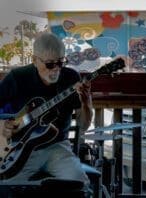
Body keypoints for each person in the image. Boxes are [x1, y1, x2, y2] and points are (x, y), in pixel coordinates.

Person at [0, 32, 93, 195]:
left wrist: (86, 102)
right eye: (50, 64)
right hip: (18, 150)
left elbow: (83, 125)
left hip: (57, 148)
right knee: (5, 187)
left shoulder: (71, 78)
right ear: (35, 60)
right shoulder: (18, 77)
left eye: (61, 62)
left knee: (79, 184)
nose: (56, 69)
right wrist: (4, 126)